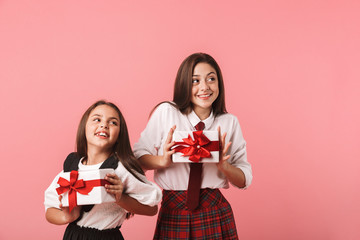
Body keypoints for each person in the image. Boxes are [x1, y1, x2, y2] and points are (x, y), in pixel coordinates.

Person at [133, 53, 253, 239]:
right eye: (195, 81)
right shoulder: (166, 112)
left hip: (214, 211)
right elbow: (137, 159)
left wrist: (224, 167)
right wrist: (162, 161)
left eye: (211, 79)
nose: (204, 87)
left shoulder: (229, 122)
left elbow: (244, 179)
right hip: (173, 210)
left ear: (219, 83)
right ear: (183, 84)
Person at [44, 100, 162, 240]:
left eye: (113, 122)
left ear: (119, 135)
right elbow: (49, 209)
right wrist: (67, 216)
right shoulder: (72, 166)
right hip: (73, 235)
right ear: (84, 127)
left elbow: (152, 208)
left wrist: (121, 198)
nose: (104, 125)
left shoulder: (120, 168)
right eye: (97, 119)